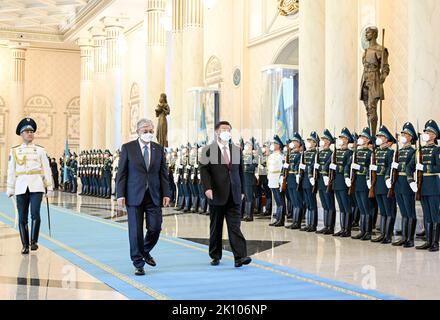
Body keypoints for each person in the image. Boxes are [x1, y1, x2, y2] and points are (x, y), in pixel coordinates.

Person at [116, 118, 171, 276]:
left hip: (154, 195)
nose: (148, 134)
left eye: (151, 131)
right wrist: (120, 195)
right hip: (134, 195)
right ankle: (138, 262)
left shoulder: (158, 149)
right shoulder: (128, 148)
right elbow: (122, 174)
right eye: (145, 131)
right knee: (135, 231)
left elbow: (163, 174)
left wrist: (166, 193)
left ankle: (144, 251)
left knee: (155, 227)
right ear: (138, 132)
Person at [200, 121, 251, 268]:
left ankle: (240, 257)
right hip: (216, 193)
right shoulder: (208, 150)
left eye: (229, 129)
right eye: (223, 129)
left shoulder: (236, 149)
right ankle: (215, 255)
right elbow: (204, 170)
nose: (226, 131)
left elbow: (239, 172)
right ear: (217, 132)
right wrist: (207, 188)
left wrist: (242, 191)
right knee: (216, 226)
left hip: (234, 194)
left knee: (235, 226)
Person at [6, 118, 54, 254]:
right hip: (21, 186)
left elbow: (46, 169)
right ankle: (25, 244)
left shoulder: (40, 150)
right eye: (27, 131)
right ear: (21, 134)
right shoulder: (15, 151)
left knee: (35, 214)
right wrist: (10, 188)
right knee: (22, 216)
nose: (30, 134)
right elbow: (11, 170)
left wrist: (49, 186)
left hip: (37, 186)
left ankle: (34, 241)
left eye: (31, 131)